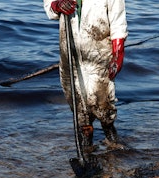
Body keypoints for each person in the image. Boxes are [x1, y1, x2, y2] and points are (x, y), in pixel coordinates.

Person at [43, 0, 128, 152]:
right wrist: (57, 5)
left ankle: (113, 143)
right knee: (77, 102)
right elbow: (50, 8)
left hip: (98, 51)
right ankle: (87, 148)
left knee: (103, 101)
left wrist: (118, 53)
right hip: (70, 52)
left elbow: (118, 21)